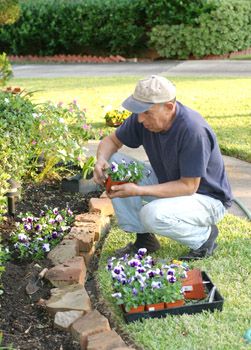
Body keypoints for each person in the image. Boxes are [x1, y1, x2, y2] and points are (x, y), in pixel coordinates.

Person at [93, 75, 233, 260]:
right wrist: (101, 159)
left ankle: (205, 239)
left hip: (207, 198)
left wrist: (137, 190)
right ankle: (144, 241)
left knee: (151, 214)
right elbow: (112, 141)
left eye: (147, 112)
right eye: (139, 112)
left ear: (169, 107)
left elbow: (188, 186)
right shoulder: (142, 119)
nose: (140, 119)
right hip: (171, 183)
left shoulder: (193, 130)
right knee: (116, 163)